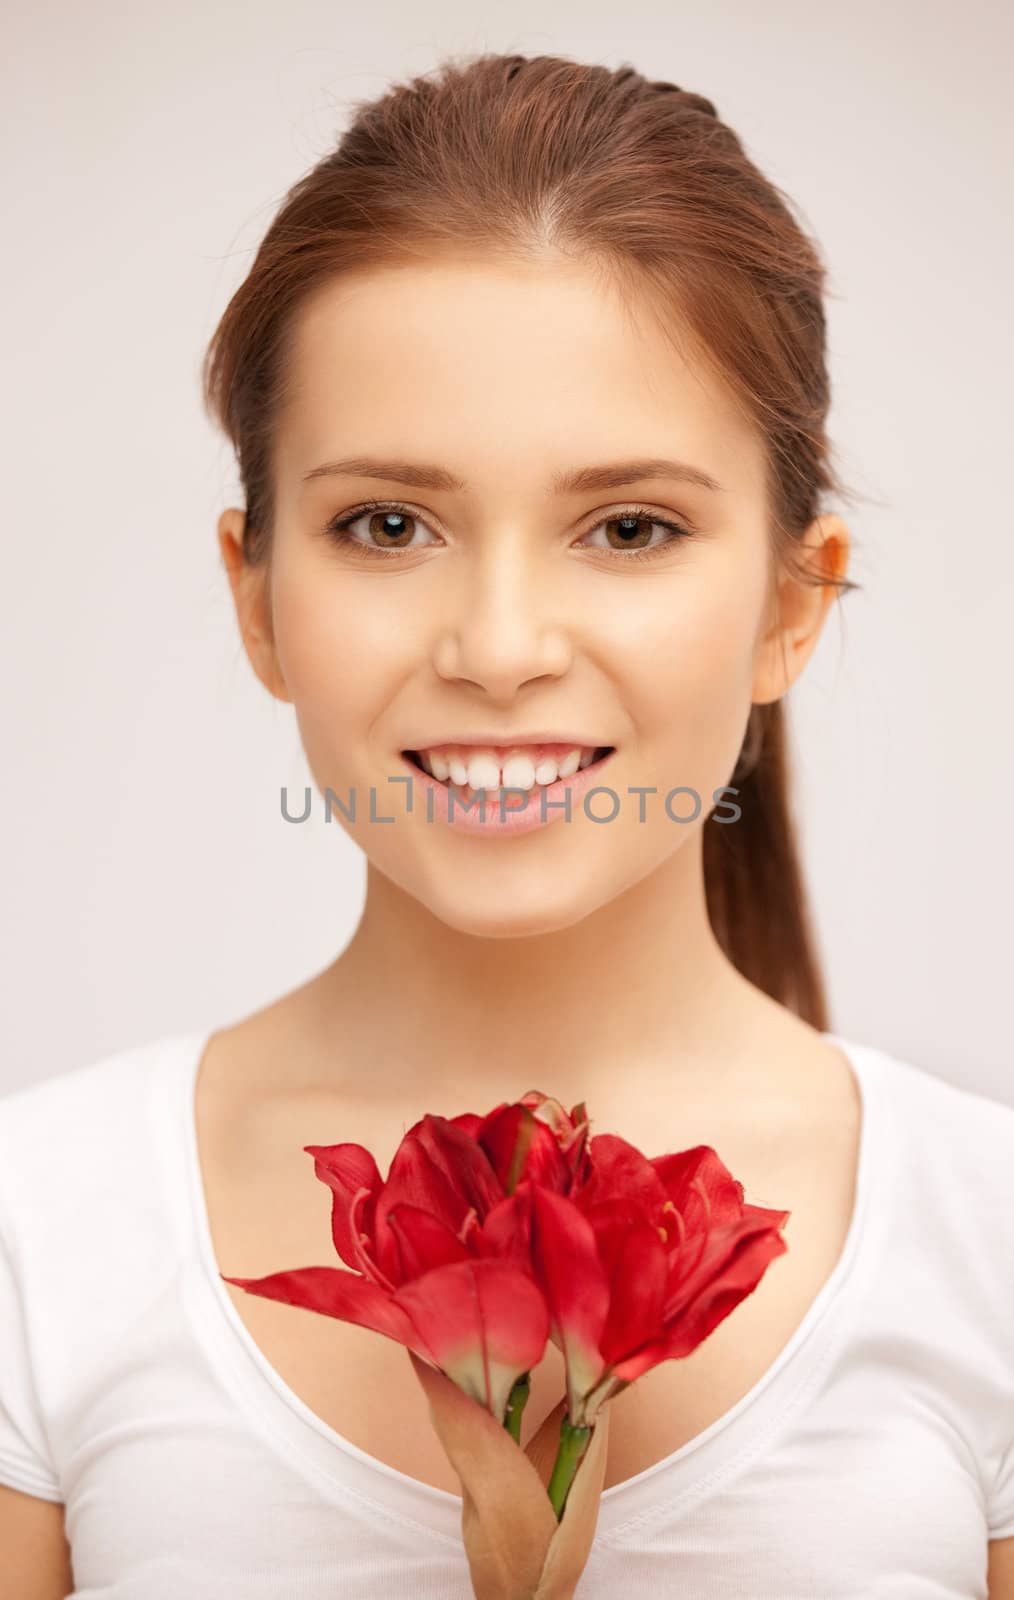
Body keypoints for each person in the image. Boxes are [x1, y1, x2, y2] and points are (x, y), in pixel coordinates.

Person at [2, 50, 1012, 1600]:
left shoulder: (983, 1236)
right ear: (255, 597)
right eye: (386, 526)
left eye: (628, 528)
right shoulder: (40, 1224)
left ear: (790, 604)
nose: (498, 645)